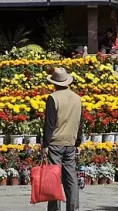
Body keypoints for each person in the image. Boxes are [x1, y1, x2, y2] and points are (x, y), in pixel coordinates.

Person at [41, 67, 83, 211]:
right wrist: (78, 142)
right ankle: (73, 208)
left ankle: (54, 209)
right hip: (70, 142)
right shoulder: (77, 98)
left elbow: (49, 123)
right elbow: (80, 122)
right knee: (71, 178)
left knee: (54, 179)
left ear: (54, 83)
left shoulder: (53, 98)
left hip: (55, 143)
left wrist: (45, 144)